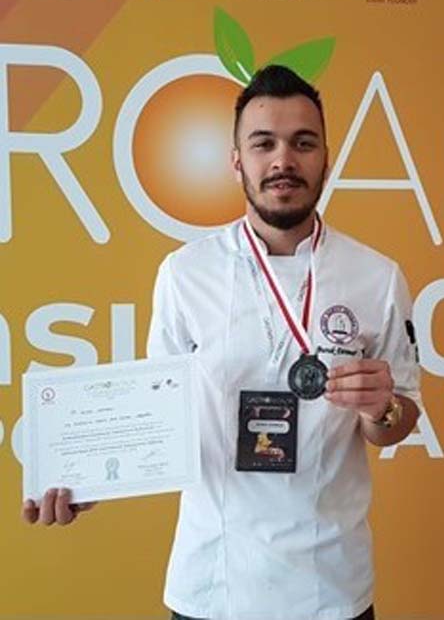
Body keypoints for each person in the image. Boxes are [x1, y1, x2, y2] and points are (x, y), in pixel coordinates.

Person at [22, 65, 422, 620]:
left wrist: (382, 409)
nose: (283, 160)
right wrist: (91, 478)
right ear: (237, 161)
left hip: (331, 588)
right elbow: (157, 416)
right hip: (212, 586)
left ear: (326, 160)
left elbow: (399, 419)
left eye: (303, 143)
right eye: (264, 143)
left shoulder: (377, 277)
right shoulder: (186, 273)